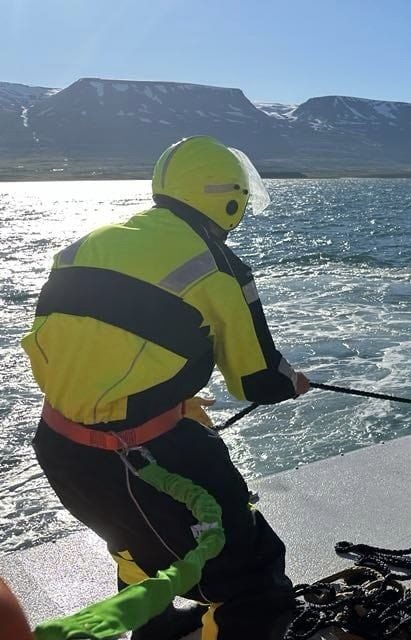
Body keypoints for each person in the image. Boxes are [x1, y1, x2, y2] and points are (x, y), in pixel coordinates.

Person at [23, 136, 310, 640]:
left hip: (59, 445)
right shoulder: (218, 267)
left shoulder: (88, 242)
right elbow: (258, 380)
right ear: (229, 199)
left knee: (133, 545)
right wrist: (292, 382)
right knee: (254, 575)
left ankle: (154, 629)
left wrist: (159, 392)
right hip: (139, 462)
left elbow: (90, 345)